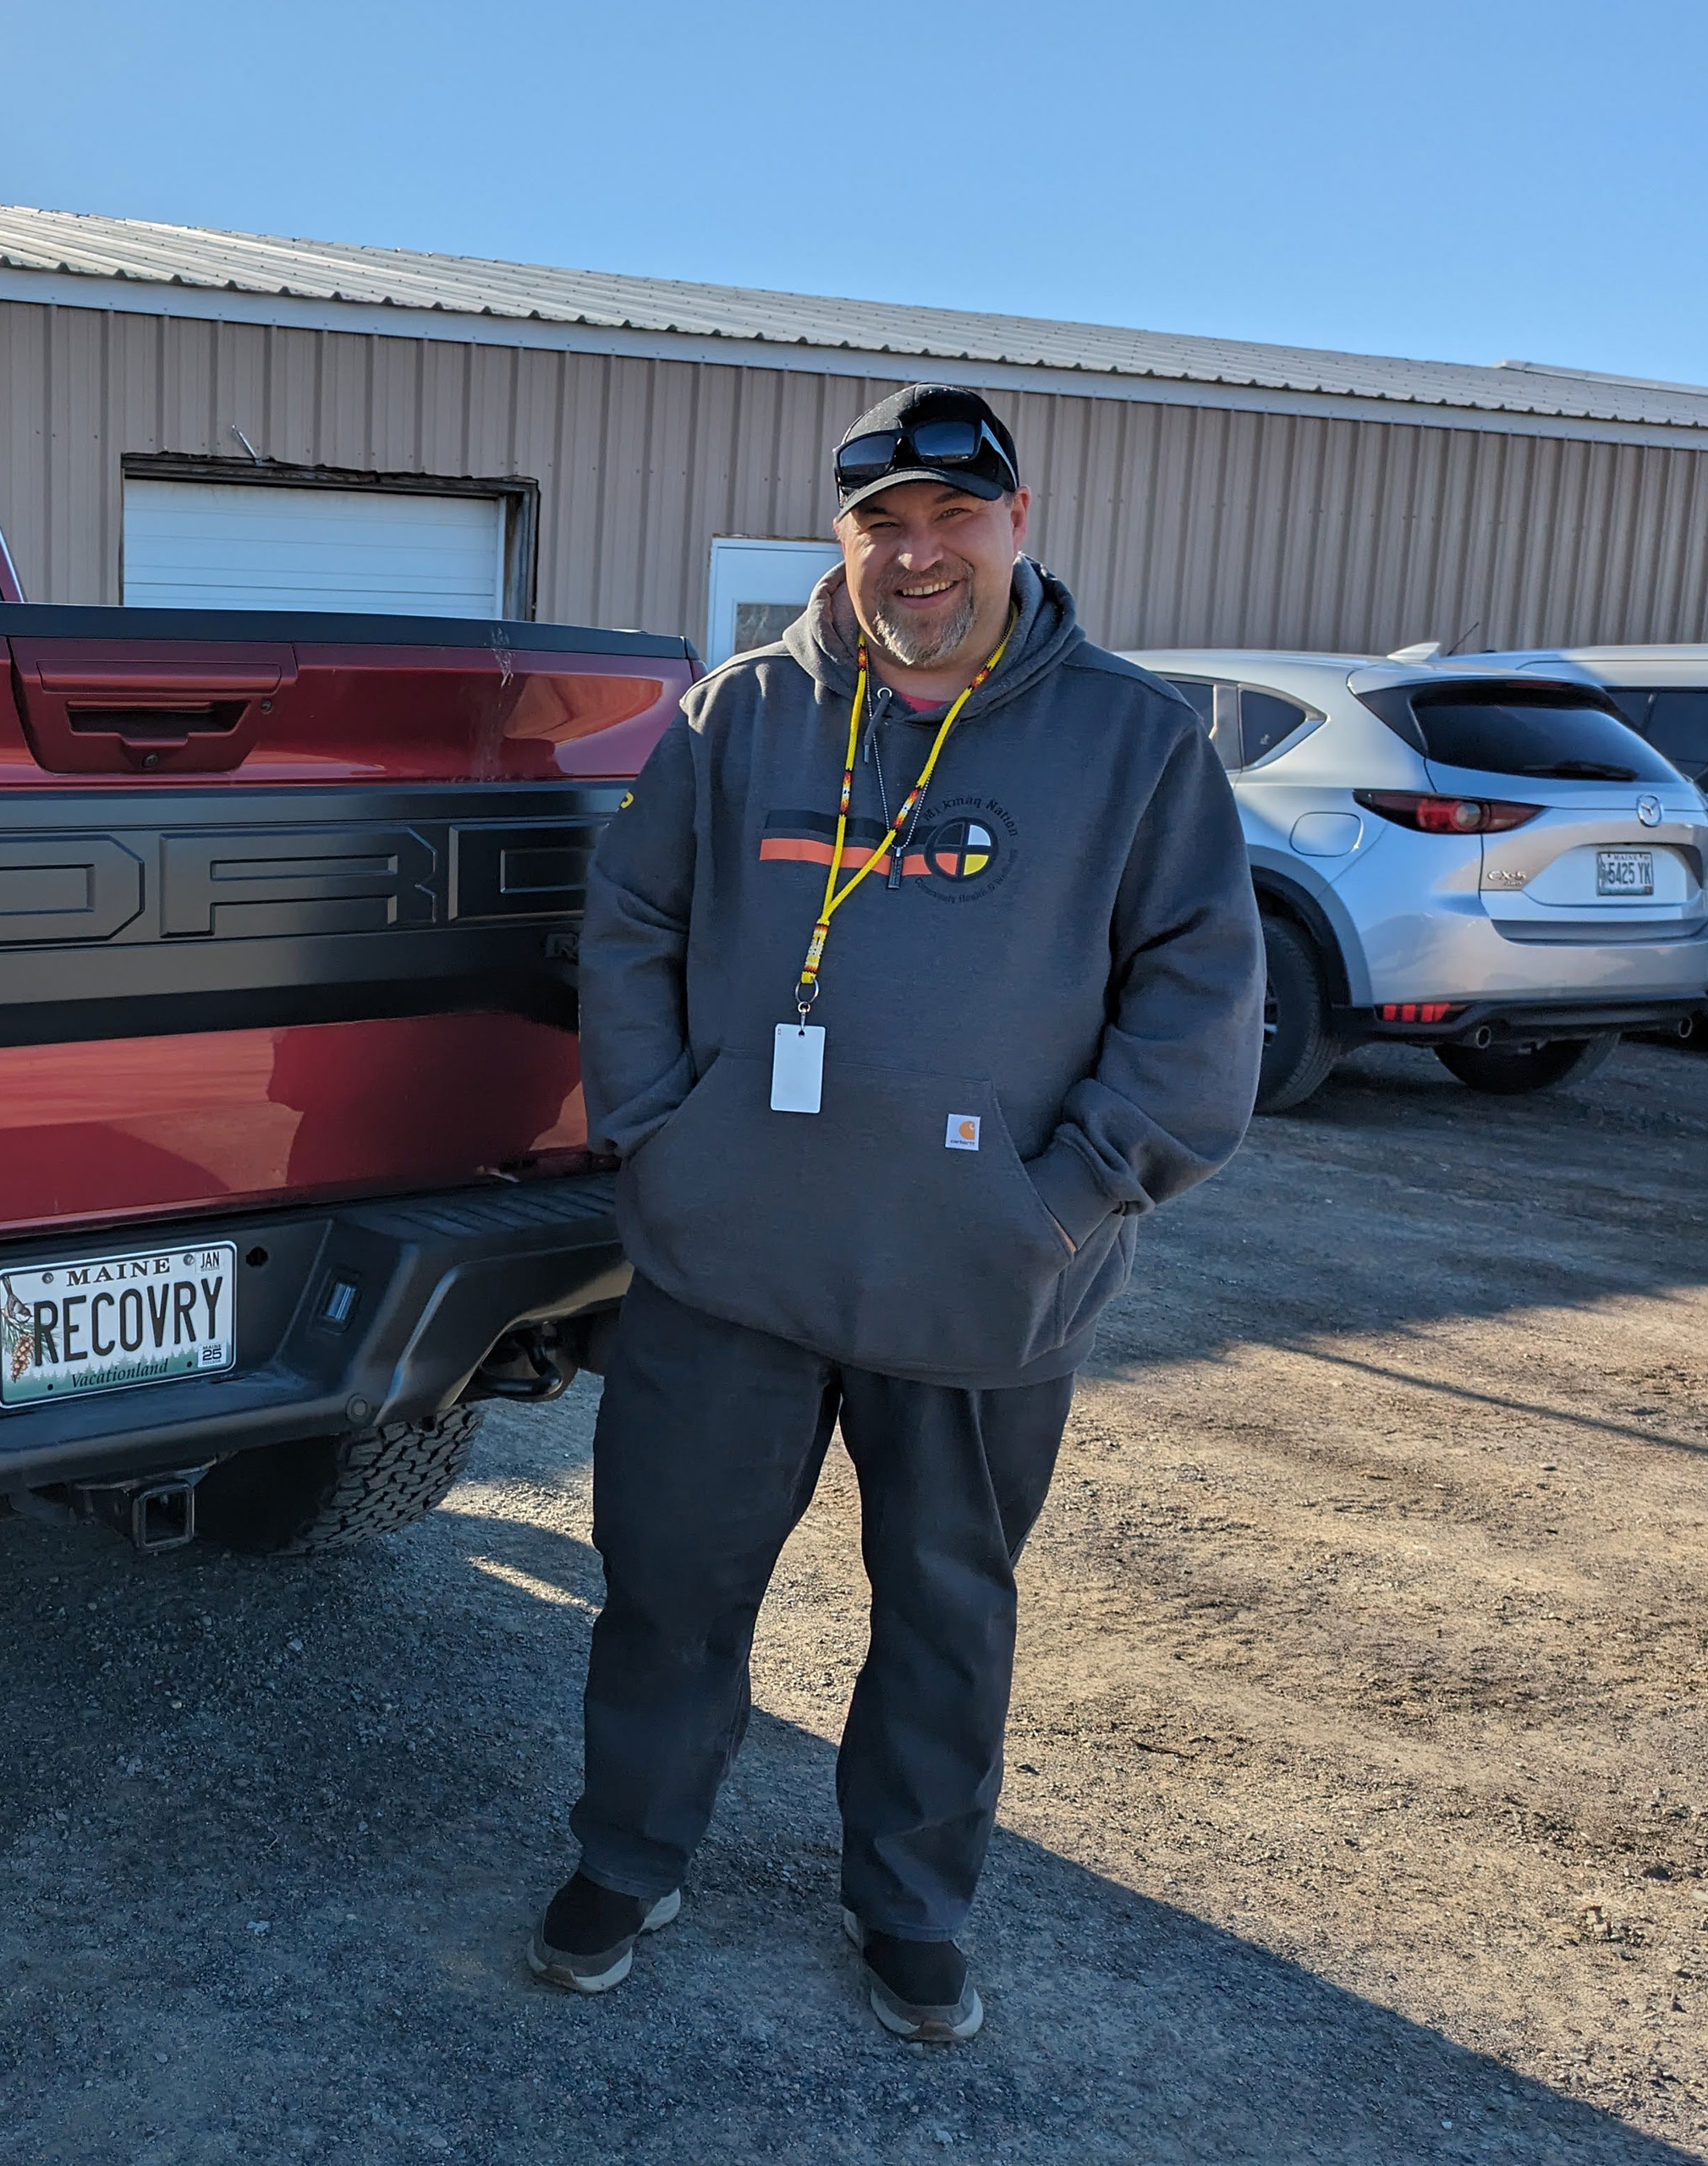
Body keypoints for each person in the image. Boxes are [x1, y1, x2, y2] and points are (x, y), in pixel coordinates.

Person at [527, 384, 1263, 2040]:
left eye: (952, 515)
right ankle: (627, 1857)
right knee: (668, 1586)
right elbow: (632, 916)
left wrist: (1058, 1200)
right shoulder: (740, 720)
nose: (917, 553)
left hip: (980, 1289)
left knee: (943, 1612)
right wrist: (659, 1133)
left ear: (1018, 520)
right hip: (729, 1267)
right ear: (844, 534)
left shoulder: (1133, 744)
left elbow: (1201, 1007)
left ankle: (912, 1904)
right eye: (883, 521)